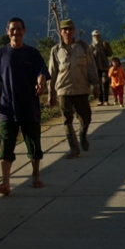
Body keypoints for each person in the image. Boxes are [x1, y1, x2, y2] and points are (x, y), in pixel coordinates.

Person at [0, 17, 50, 195]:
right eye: (12, 29)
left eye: (19, 29)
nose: (16, 32)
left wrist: (41, 84)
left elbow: (41, 73)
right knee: (6, 146)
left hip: (29, 107)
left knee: (34, 145)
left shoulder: (33, 54)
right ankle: (6, 183)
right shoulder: (1, 54)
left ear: (25, 31)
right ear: (7, 31)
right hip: (7, 109)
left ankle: (36, 176)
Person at [48, 19, 100, 159]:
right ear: (60, 32)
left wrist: (96, 85)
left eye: (70, 29)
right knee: (67, 120)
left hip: (81, 88)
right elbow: (52, 73)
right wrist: (50, 94)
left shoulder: (83, 47)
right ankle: (74, 148)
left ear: (74, 31)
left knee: (86, 117)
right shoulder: (56, 50)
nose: (67, 32)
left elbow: (91, 67)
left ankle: (82, 135)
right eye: (64, 29)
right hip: (63, 90)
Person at [91, 30, 113, 106]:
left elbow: (110, 54)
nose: (96, 37)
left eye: (98, 36)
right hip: (95, 68)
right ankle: (100, 100)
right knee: (98, 84)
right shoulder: (90, 47)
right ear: (92, 37)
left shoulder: (104, 44)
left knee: (105, 81)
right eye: (95, 36)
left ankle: (106, 100)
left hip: (104, 67)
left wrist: (107, 47)